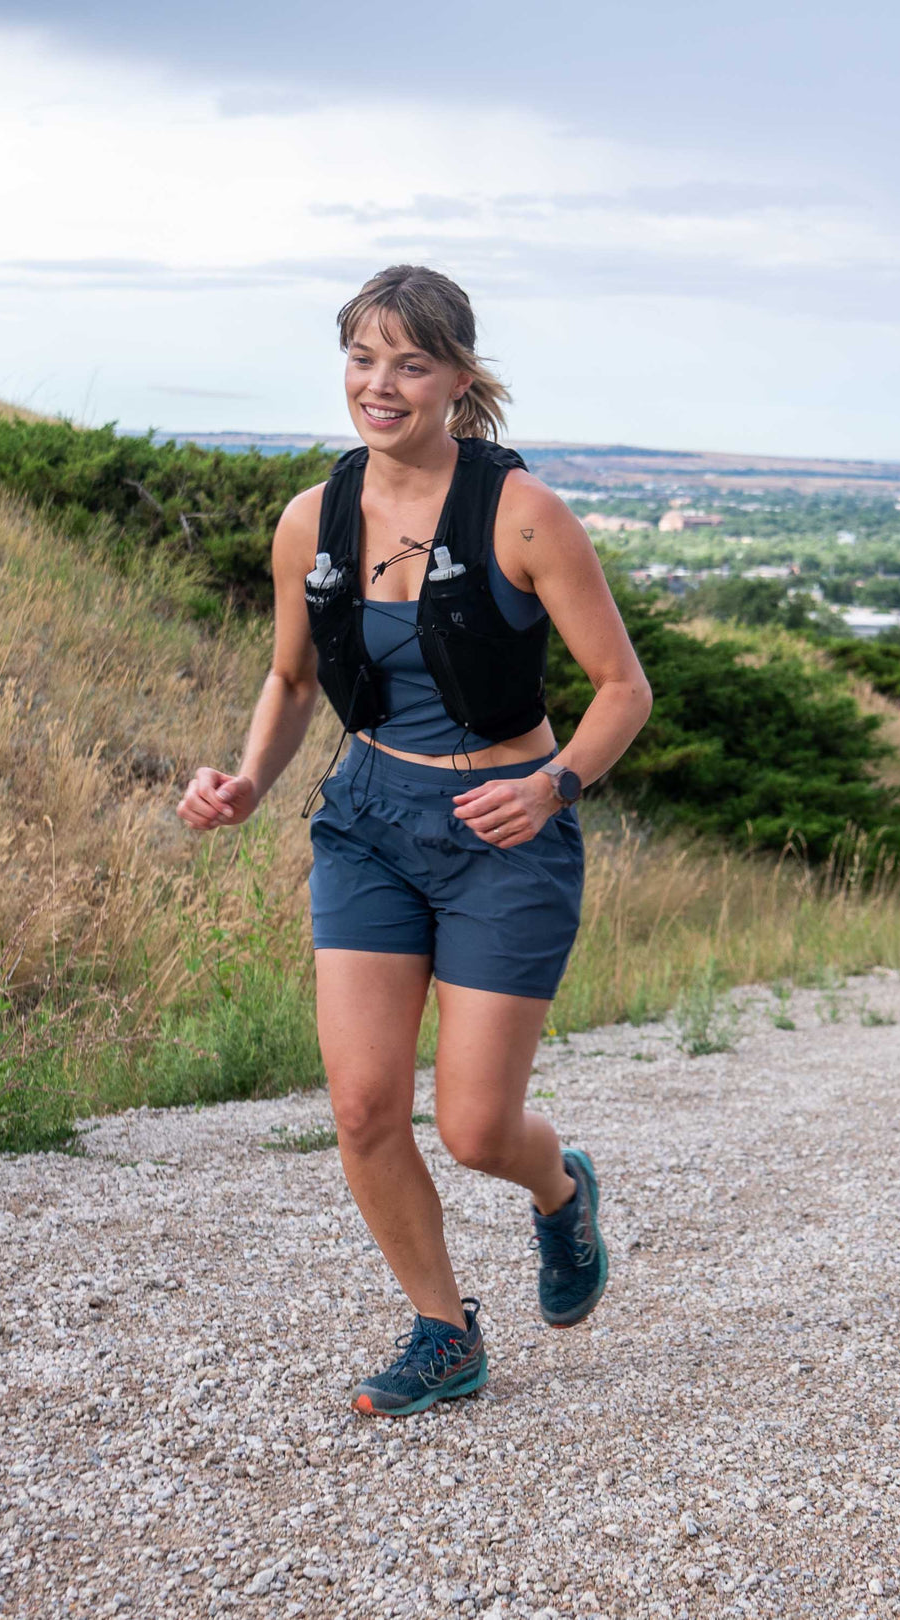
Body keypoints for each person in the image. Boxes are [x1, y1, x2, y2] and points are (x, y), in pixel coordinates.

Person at [178, 265, 652, 1417]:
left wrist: (551, 787)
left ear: (458, 379)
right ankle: (445, 1332)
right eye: (362, 358)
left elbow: (622, 690)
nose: (380, 385)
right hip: (370, 825)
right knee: (363, 1106)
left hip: (504, 830)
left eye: (410, 363)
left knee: (478, 1125)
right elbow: (293, 677)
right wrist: (248, 780)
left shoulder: (522, 512)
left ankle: (559, 1190)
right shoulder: (312, 518)